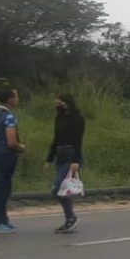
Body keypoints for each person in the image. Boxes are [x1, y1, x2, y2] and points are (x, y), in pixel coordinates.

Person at [44, 93, 86, 233]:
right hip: (60, 154)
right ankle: (70, 218)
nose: (58, 105)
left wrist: (76, 160)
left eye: (60, 102)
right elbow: (55, 139)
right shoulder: (59, 118)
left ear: (67, 102)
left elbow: (78, 141)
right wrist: (49, 159)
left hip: (70, 154)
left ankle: (71, 217)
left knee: (57, 189)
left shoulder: (77, 119)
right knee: (62, 189)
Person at [0, 88, 25, 233]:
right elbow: (11, 142)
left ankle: (3, 220)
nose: (17, 99)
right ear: (10, 99)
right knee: (1, 189)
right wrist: (21, 147)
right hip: (6, 155)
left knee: (1, 188)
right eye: (16, 97)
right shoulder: (9, 117)